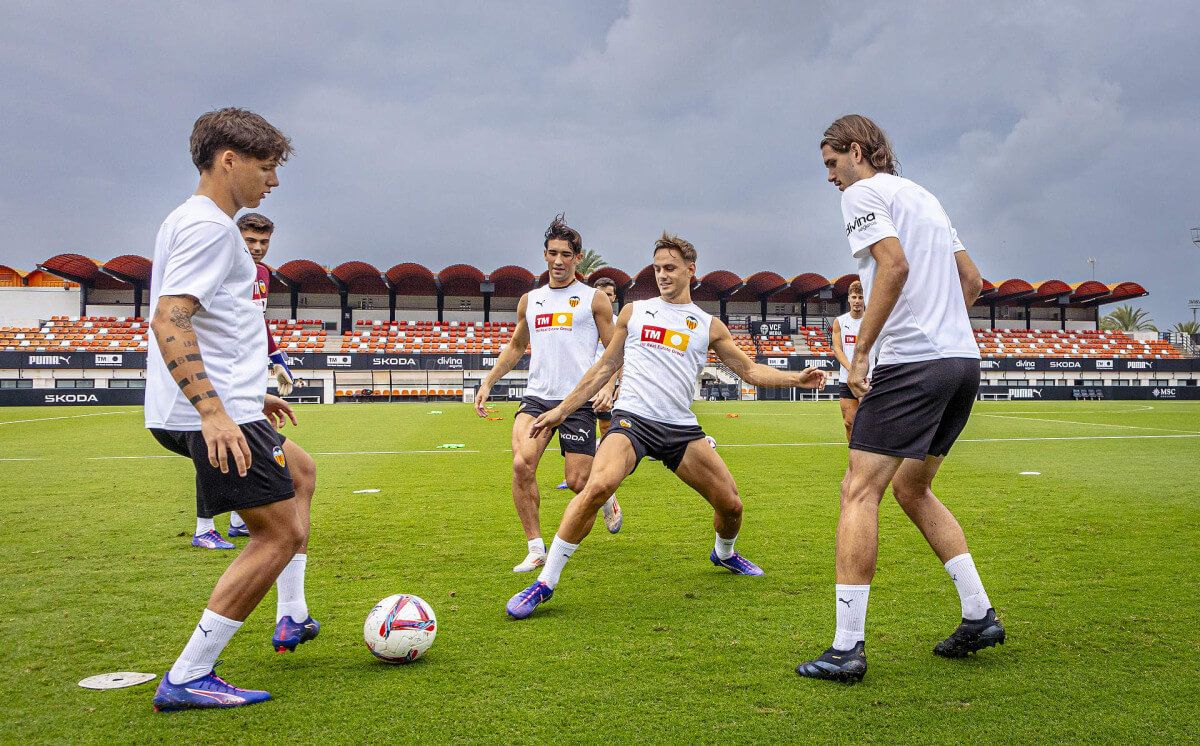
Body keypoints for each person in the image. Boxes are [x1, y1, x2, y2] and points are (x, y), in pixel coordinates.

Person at [505, 232, 826, 619]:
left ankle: (724, 553)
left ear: (691, 271)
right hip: (632, 421)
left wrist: (795, 379)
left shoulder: (708, 325)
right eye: (657, 268)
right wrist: (563, 410)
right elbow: (604, 367)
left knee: (731, 505)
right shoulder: (634, 312)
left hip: (680, 429)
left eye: (670, 268)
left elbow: (750, 370)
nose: (662, 275)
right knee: (596, 486)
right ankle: (545, 583)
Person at [795, 114, 1002, 684]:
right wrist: (943, 324)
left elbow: (894, 264)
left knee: (858, 491)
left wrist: (861, 351)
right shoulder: (926, 198)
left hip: (912, 365)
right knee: (912, 488)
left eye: (832, 163)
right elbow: (973, 281)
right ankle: (979, 614)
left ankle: (846, 648)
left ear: (857, 152)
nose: (831, 177)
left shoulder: (862, 193)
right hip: (961, 362)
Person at [146, 108, 318, 711]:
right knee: (279, 535)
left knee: (301, 472)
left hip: (228, 404)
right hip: (212, 415)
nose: (273, 180)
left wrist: (248, 394)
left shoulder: (190, 220)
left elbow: (218, 324)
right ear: (228, 161)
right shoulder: (211, 229)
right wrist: (215, 412)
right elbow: (172, 318)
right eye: (266, 167)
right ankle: (190, 674)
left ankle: (292, 613)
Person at [474, 215, 622, 574]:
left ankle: (606, 498)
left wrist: (608, 386)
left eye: (566, 254)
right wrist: (488, 381)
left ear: (578, 258)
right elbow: (515, 346)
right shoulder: (531, 300)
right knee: (521, 464)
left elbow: (614, 349)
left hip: (577, 401)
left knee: (578, 482)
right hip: (537, 397)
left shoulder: (594, 300)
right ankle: (535, 548)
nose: (558, 261)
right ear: (544, 255)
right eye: (553, 253)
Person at [191, 212, 296, 547]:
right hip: (215, 375)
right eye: (250, 240)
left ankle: (239, 521)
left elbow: (256, 320)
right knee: (215, 450)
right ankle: (204, 527)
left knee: (247, 446)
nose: (257, 247)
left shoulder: (262, 274)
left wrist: (276, 358)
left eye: (264, 241)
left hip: (244, 373)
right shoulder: (218, 267)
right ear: (237, 238)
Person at [830, 280, 867, 442]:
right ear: (849, 299)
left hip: (869, 378)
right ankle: (853, 454)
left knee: (870, 423)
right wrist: (853, 370)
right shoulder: (840, 321)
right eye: (854, 297)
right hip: (847, 379)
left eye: (861, 297)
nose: (857, 301)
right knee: (849, 423)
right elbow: (837, 349)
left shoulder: (873, 320)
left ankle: (869, 454)